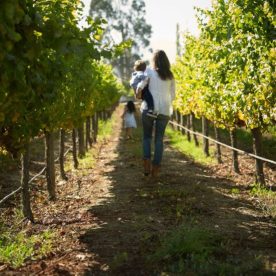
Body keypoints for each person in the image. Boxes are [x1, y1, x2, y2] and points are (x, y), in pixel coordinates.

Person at [136, 50, 175, 177]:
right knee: (159, 139)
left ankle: (146, 164)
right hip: (164, 111)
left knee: (147, 137)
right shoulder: (170, 76)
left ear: (154, 61)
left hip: (149, 109)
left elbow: (141, 85)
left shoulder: (150, 71)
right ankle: (156, 169)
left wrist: (138, 92)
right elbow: (173, 96)